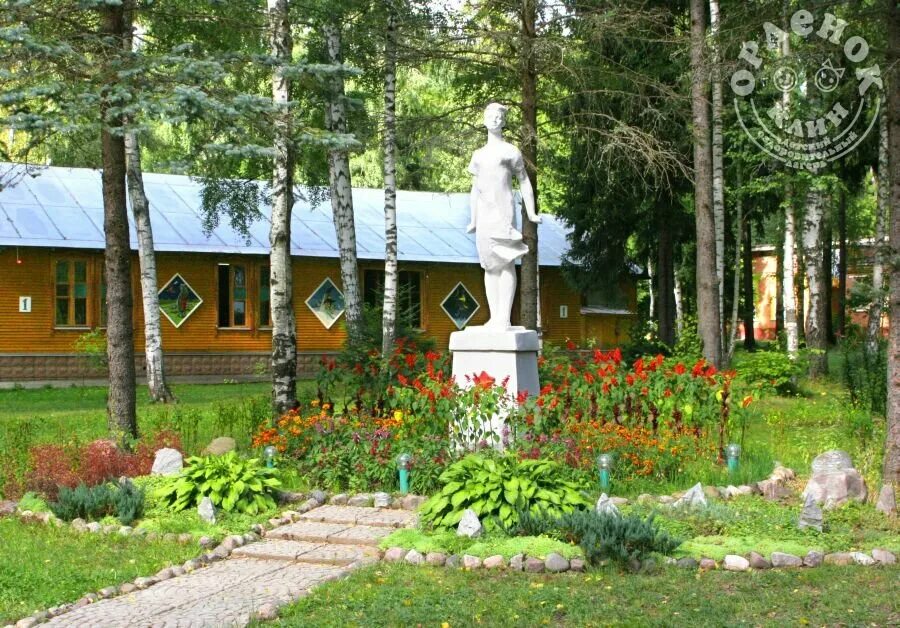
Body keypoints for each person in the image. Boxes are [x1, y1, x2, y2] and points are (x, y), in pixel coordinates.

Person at [466, 102, 541, 329]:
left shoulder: (510, 151)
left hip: (504, 211)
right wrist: (473, 219)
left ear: (504, 121)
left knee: (506, 262)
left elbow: (524, 181)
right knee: (490, 265)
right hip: (485, 214)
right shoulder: (478, 155)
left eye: (499, 116)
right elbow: (475, 187)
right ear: (484, 119)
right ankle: (494, 316)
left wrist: (532, 213)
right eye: (491, 115)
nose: (495, 119)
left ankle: (504, 318)